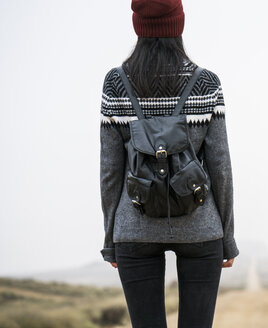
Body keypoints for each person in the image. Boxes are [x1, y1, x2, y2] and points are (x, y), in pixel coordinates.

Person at [98, 0, 239, 326]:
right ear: (179, 24)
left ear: (138, 25)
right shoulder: (206, 84)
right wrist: (227, 236)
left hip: (134, 228)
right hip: (200, 227)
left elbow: (110, 172)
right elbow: (220, 168)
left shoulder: (116, 84)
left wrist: (110, 241)